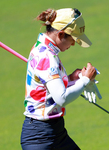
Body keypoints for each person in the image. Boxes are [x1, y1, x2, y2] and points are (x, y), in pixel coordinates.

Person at [21, 8, 101, 150]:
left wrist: (73, 78)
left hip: (56, 133)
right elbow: (61, 98)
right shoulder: (46, 56)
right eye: (73, 39)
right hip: (39, 138)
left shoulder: (46, 49)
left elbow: (50, 88)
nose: (74, 44)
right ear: (61, 34)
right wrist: (84, 81)